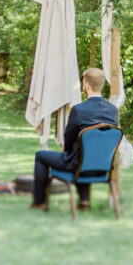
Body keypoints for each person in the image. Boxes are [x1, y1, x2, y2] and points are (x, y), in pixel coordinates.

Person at [29, 67, 118, 211]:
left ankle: (39, 202)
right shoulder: (113, 110)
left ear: (86, 85)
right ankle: (84, 201)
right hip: (103, 166)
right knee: (84, 152)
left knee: (41, 156)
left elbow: (68, 139)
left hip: (77, 165)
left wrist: (68, 151)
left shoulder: (79, 110)